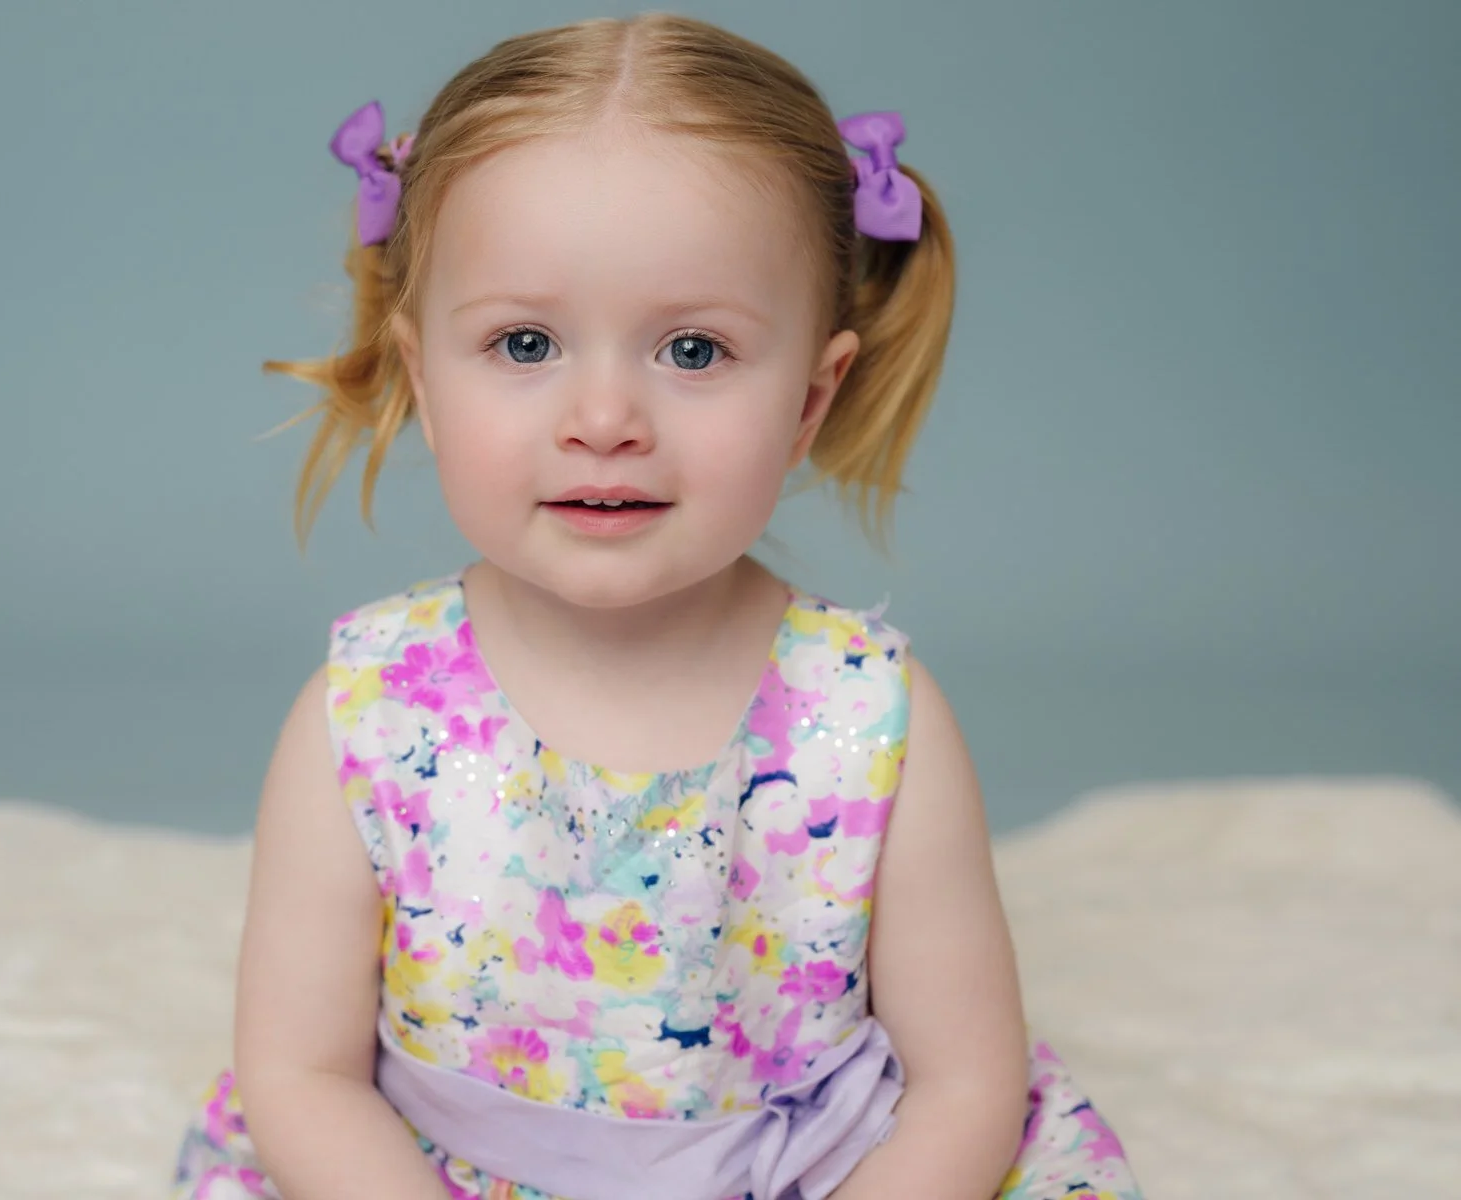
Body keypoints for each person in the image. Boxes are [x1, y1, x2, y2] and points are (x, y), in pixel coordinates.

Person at [174, 13, 1142, 1200]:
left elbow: (964, 1084)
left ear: (810, 399)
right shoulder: (369, 708)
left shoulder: (867, 716)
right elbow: (303, 1076)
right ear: (423, 378)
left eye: (692, 351)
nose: (604, 420)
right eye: (524, 342)